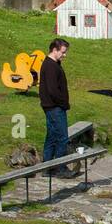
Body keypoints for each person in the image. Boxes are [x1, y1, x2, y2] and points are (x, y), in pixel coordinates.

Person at [38, 38, 75, 175]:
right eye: (63, 52)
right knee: (62, 137)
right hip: (54, 107)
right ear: (54, 50)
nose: (64, 55)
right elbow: (53, 90)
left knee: (52, 136)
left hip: (51, 106)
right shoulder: (50, 66)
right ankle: (61, 167)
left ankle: (47, 167)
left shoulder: (54, 63)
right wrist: (64, 103)